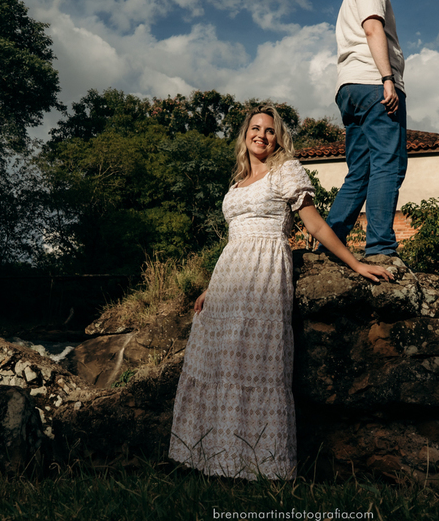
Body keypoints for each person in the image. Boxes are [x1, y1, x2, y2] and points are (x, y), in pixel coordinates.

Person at [168, 106, 392, 480]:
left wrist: (355, 264)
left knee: (255, 365)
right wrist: (211, 286)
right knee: (219, 364)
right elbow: (233, 240)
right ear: (244, 135)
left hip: (264, 272)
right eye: (255, 128)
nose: (262, 135)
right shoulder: (236, 182)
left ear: (278, 138)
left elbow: (316, 225)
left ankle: (259, 467)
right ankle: (214, 460)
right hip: (228, 278)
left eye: (270, 131)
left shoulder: (285, 170)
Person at [323, 0, 407, 257]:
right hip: (374, 83)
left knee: (360, 170)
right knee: (389, 164)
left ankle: (329, 245)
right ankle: (381, 247)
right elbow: (373, 29)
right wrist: (387, 79)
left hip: (350, 89)